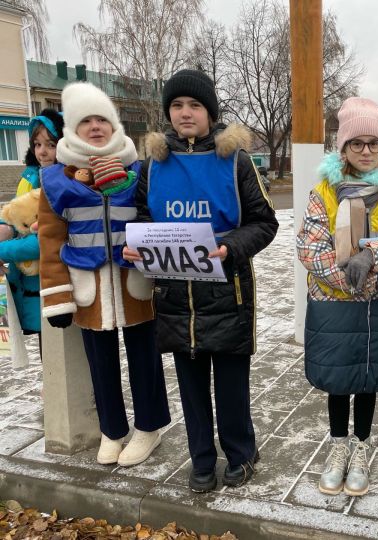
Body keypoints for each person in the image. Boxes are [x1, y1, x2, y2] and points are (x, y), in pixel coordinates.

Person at [123, 69, 278, 493]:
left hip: (228, 293)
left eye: (194, 105)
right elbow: (141, 220)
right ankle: (201, 460)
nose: (185, 113)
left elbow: (265, 223)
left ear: (210, 112)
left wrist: (230, 246)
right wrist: (135, 247)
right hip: (174, 295)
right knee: (191, 387)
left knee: (231, 387)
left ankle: (242, 454)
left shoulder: (237, 161)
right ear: (168, 113)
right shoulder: (152, 166)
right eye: (177, 106)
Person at [38, 82, 171, 466]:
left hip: (135, 284)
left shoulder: (140, 170)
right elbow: (50, 240)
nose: (95, 127)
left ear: (114, 126)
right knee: (101, 364)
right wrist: (58, 297)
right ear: (73, 130)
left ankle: (149, 428)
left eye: (103, 120)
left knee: (145, 359)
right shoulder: (56, 180)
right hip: (88, 288)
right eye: (86, 121)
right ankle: (112, 431)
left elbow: (156, 221)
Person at [296, 97, 378, 497]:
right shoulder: (324, 193)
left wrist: (371, 257)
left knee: (367, 378)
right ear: (342, 148)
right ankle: (338, 446)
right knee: (337, 379)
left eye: (373, 144)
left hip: (377, 312)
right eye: (357, 143)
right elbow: (309, 250)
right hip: (333, 307)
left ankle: (361, 447)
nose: (366, 151)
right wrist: (364, 280)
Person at [0, 109, 64, 348]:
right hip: (30, 280)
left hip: (57, 279)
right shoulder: (30, 177)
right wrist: (4, 228)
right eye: (37, 144)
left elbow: (44, 241)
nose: (43, 151)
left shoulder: (65, 181)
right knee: (46, 348)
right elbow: (11, 215)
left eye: (51, 144)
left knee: (61, 347)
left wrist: (2, 250)